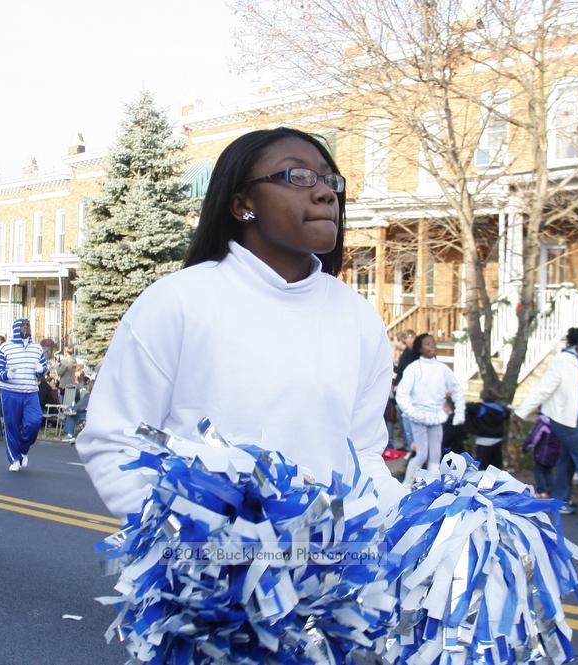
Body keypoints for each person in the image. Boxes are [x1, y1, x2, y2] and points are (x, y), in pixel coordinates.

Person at [75, 126, 404, 519]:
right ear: (241, 203)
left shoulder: (360, 319)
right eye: (297, 176)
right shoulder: (178, 301)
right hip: (202, 572)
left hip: (331, 569)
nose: (325, 192)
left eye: (331, 180)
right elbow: (116, 440)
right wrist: (196, 543)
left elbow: (363, 455)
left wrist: (424, 526)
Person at [514, 325, 578, 519]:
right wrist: (521, 412)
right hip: (569, 419)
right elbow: (545, 388)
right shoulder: (565, 360)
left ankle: (560, 501)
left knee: (567, 460)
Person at [395, 333, 465, 486]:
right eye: (427, 344)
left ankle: (430, 486)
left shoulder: (442, 369)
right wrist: (411, 411)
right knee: (421, 454)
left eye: (433, 343)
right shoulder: (413, 369)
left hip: (436, 415)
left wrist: (459, 411)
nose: (432, 346)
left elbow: (456, 389)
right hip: (418, 416)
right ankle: (406, 485)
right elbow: (402, 393)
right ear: (420, 348)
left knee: (435, 454)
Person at [0, 319, 47, 471]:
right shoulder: (5, 347)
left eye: (28, 326)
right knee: (12, 426)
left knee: (35, 422)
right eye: (23, 326)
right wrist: (5, 374)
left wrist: (40, 370)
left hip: (30, 392)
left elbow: (44, 368)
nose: (26, 329)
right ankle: (14, 459)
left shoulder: (37, 348)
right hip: (10, 392)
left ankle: (23, 449)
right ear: (16, 329)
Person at [465, 389, 510, 470]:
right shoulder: (502, 410)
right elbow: (507, 414)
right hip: (498, 440)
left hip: (483, 441)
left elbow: (467, 407)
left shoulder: (481, 408)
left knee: (481, 467)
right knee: (496, 467)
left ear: (482, 397)